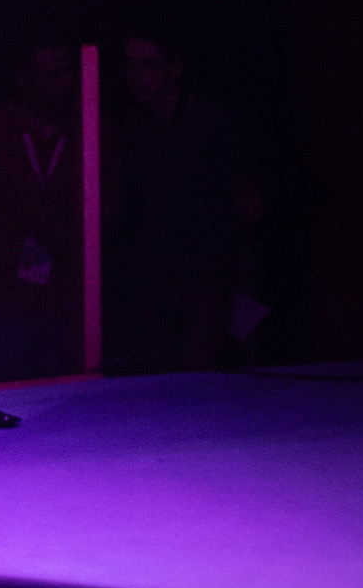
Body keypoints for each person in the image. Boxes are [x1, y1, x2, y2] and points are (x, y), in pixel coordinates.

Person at [106, 27, 256, 373]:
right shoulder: (133, 127)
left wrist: (236, 273)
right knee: (161, 376)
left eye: (148, 64)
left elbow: (247, 202)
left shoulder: (211, 122)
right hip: (153, 277)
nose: (136, 75)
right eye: (130, 64)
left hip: (205, 277)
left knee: (200, 374)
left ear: (174, 68)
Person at [0, 43, 86, 383]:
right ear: (24, 79)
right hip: (5, 301)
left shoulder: (87, 128)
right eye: (53, 74)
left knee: (67, 403)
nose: (66, 83)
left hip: (70, 304)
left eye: (69, 72)